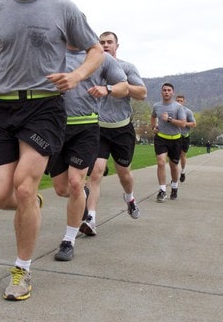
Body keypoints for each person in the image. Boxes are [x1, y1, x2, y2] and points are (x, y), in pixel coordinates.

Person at [0, 0, 103, 301]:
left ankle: (21, 272)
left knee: (25, 186)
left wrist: (76, 77)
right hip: (3, 108)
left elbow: (95, 50)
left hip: (44, 107)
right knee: (0, 196)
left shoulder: (63, 8)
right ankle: (32, 206)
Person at [48, 47, 127, 260]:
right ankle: (82, 197)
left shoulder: (102, 57)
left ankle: (68, 241)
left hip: (86, 127)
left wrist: (107, 90)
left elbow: (124, 87)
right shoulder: (53, 51)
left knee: (75, 183)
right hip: (55, 127)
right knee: (62, 188)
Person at [80, 31, 147, 236]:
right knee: (96, 171)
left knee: (123, 174)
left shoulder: (127, 68)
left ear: (117, 45)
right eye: (102, 42)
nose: (106, 45)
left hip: (121, 129)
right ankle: (90, 218)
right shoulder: (93, 66)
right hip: (99, 127)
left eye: (110, 42)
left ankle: (130, 198)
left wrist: (120, 86)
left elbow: (142, 93)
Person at [150, 83, 187, 202]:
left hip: (175, 139)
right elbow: (153, 116)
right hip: (161, 138)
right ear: (161, 92)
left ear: (173, 93)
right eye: (164, 90)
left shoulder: (178, 107)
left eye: (169, 90)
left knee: (174, 166)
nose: (166, 92)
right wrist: (153, 127)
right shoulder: (156, 106)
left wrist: (169, 119)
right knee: (161, 162)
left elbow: (183, 123)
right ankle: (162, 190)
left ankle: (175, 187)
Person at [175, 94, 196, 182]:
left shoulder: (188, 112)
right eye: (178, 101)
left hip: (184, 136)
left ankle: (183, 171)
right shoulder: (172, 111)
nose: (179, 102)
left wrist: (184, 123)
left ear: (184, 102)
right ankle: (174, 176)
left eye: (181, 101)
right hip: (175, 136)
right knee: (174, 156)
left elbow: (194, 124)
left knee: (182, 155)